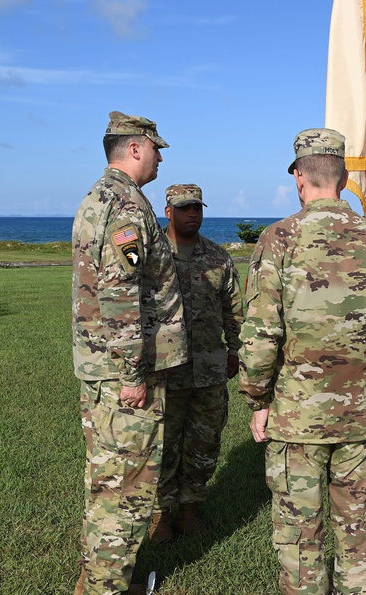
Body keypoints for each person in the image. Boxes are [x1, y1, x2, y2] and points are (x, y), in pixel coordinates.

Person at [238, 128, 366, 595]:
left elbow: (260, 334)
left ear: (300, 177)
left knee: (301, 536)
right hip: (362, 416)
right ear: (341, 177)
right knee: (357, 528)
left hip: (296, 418)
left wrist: (257, 398)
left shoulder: (280, 238)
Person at [71, 112, 188, 595]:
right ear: (136, 148)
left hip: (103, 369)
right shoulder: (125, 207)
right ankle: (107, 588)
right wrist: (133, 374)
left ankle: (97, 580)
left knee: (107, 481)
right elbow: (121, 297)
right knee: (127, 491)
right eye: (156, 148)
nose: (160, 157)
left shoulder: (101, 198)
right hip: (123, 375)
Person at [149, 183, 243, 542]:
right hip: (164, 370)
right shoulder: (151, 255)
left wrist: (235, 351)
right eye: (185, 208)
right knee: (162, 443)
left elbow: (234, 311)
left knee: (204, 443)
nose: (193, 215)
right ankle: (160, 515)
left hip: (208, 368)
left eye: (198, 208)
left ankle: (189, 511)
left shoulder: (218, 257)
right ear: (168, 211)